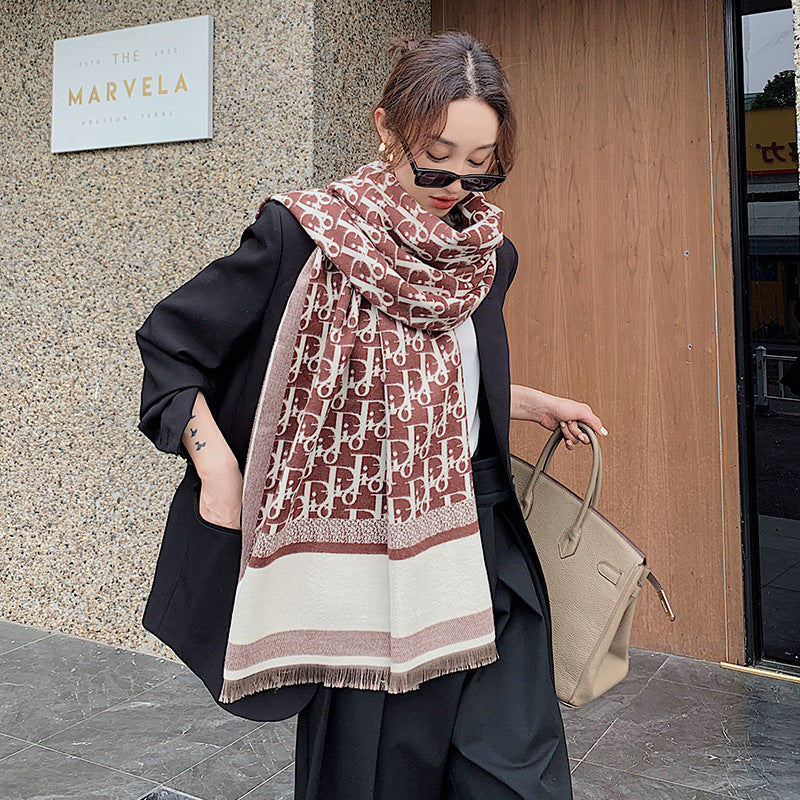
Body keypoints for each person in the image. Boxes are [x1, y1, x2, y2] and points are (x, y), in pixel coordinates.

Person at [136, 30, 607, 800]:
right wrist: (217, 466)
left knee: (518, 781)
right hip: (361, 565)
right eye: (436, 158)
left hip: (482, 543)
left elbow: (434, 385)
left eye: (481, 166)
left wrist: (527, 403)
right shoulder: (300, 236)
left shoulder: (488, 259)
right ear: (386, 128)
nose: (456, 185)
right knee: (376, 780)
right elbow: (171, 346)